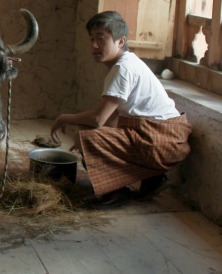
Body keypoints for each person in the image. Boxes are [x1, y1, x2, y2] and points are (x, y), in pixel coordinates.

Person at [51, 11, 191, 208]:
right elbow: (111, 121)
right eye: (91, 39)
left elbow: (99, 119)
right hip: (164, 137)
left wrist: (63, 119)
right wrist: (95, 145)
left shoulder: (123, 69)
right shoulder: (126, 63)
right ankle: (153, 179)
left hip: (162, 140)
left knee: (85, 135)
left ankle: (115, 193)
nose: (94, 46)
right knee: (89, 136)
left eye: (101, 39)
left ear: (120, 41)